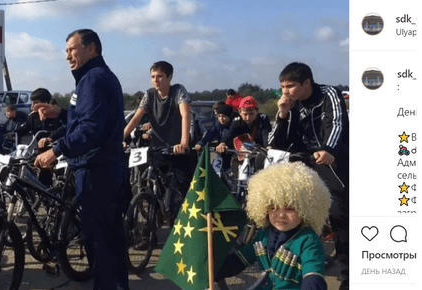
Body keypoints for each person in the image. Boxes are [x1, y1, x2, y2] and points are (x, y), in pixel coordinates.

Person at [34, 29, 129, 290]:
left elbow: (89, 130)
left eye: (72, 49)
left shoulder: (93, 79)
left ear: (91, 49)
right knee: (111, 238)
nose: (67, 56)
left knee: (98, 242)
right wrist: (62, 113)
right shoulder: (96, 77)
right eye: (66, 51)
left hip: (96, 170)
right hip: (107, 167)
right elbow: (87, 120)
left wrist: (56, 151)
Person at [268, 62, 349, 289]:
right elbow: (275, 143)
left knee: (338, 211)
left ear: (307, 83)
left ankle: (348, 273)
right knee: (289, 205)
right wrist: (282, 113)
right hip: (303, 161)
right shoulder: (290, 104)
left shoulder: (328, 94)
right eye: (282, 86)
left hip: (332, 159)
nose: (285, 91)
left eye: (290, 86)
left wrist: (329, 150)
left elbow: (336, 123)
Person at [216, 162, 331, 290]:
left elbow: (313, 278)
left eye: (290, 209)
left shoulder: (309, 241)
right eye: (274, 207)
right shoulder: (264, 234)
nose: (281, 215)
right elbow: (239, 261)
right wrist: (211, 271)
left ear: (306, 210)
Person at [123, 61, 193, 215]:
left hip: (176, 150)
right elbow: (135, 118)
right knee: (153, 182)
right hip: (157, 147)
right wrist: (121, 137)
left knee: (179, 195)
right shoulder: (149, 94)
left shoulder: (178, 91)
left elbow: (185, 115)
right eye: (153, 76)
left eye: (160, 76)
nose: (155, 80)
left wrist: (183, 142)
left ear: (169, 77)